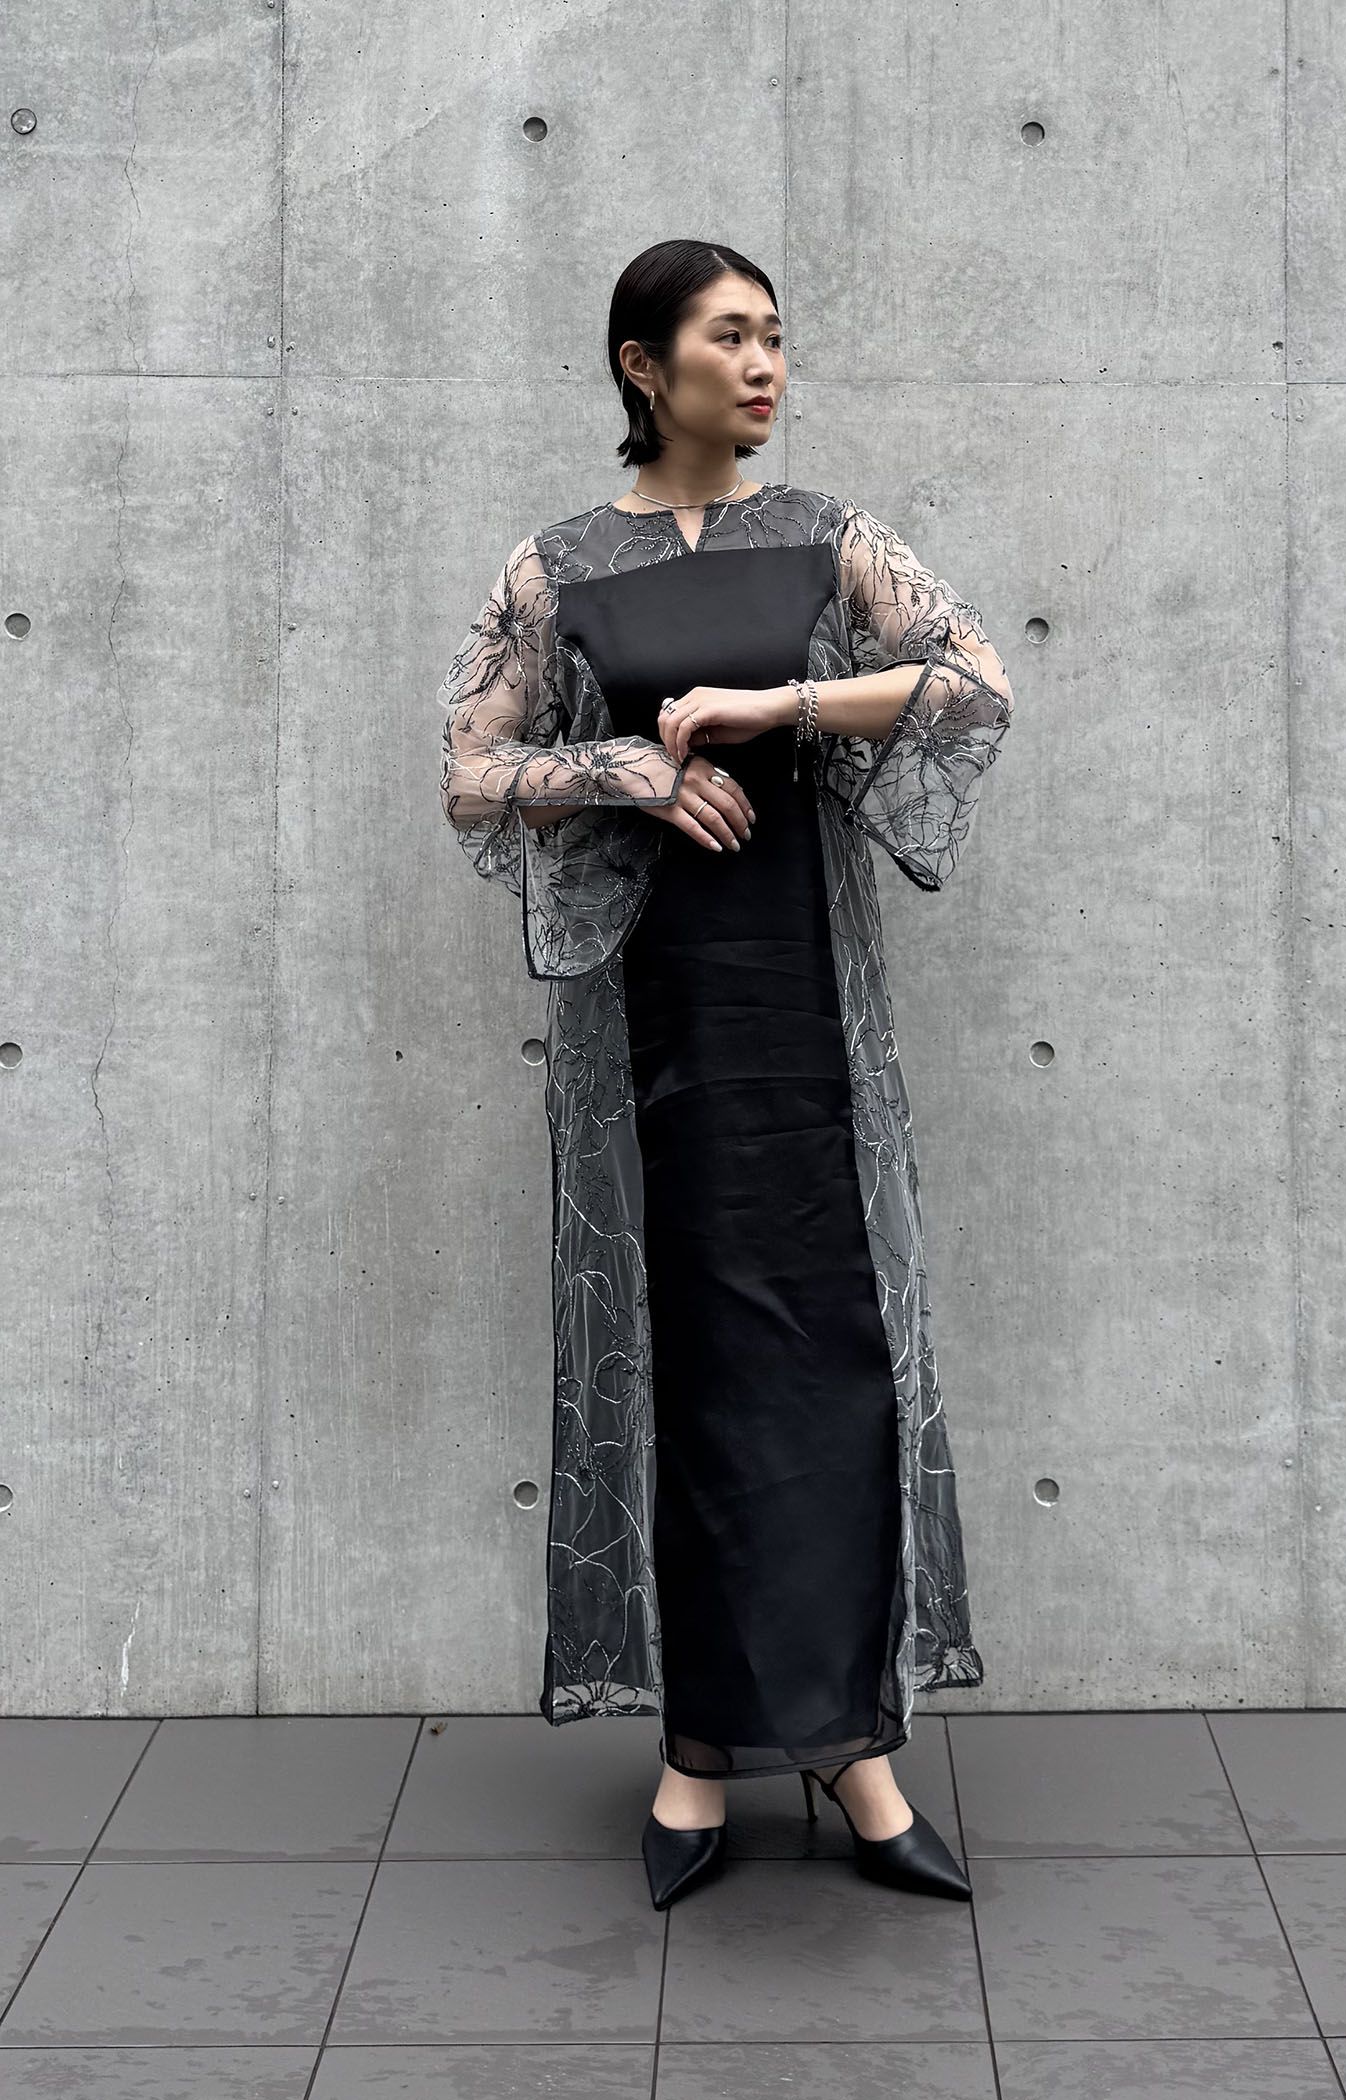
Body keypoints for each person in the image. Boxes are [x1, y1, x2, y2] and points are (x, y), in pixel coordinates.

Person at [437, 239, 1015, 1909]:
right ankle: (698, 1757)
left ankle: (855, 1753)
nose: (764, 365)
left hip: (808, 1017)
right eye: (731, 337)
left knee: (835, 1360)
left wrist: (787, 706)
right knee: (682, 1367)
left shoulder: (830, 537)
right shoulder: (555, 567)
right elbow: (470, 772)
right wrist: (623, 768)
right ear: (646, 364)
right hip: (653, 1031)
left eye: (775, 338)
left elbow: (976, 682)